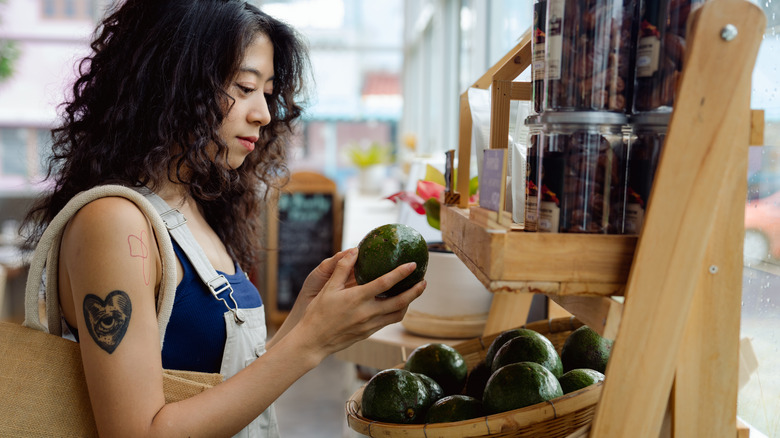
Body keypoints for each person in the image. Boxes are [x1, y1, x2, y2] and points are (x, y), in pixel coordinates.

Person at [21, 1, 426, 436]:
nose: (264, 114)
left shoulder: (192, 205)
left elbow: (214, 381)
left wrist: (303, 323)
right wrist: (311, 344)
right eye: (244, 87)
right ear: (172, 82)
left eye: (268, 93)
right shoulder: (115, 223)